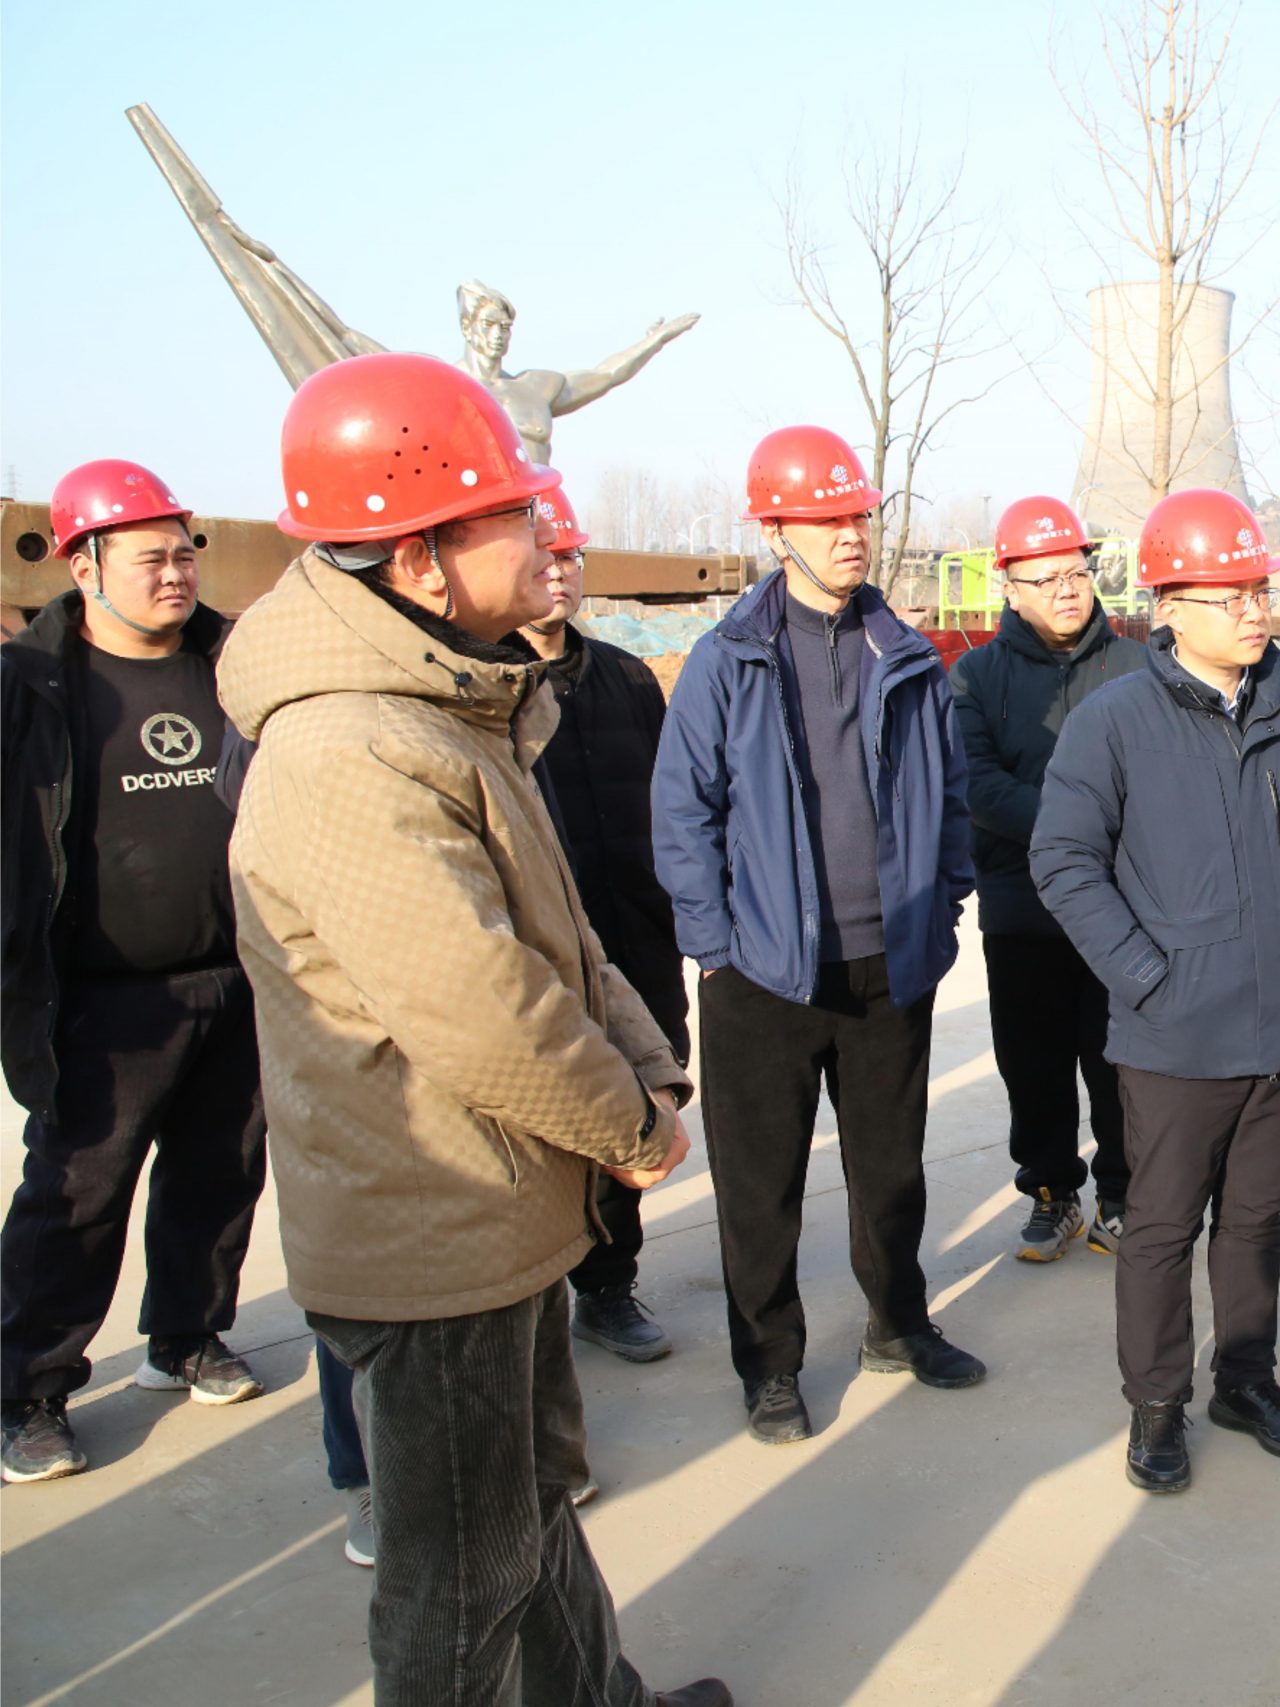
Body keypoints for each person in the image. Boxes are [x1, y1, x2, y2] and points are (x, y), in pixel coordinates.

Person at [221, 352, 721, 1706]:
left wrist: (649, 1068)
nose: (548, 535)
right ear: (421, 559)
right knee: (460, 1579)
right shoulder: (352, 749)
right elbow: (482, 1004)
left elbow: (562, 933)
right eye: (510, 514)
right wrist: (625, 1125)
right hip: (431, 1227)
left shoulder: (445, 705)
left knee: (533, 1504)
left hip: (494, 1208)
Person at [1030, 488, 1280, 1495]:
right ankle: (1157, 1403)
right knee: (1163, 1227)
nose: (1256, 610)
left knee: (1256, 1218)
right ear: (1169, 606)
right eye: (1232, 595)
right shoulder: (1114, 721)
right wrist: (1147, 976)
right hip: (1175, 1034)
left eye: (1259, 589)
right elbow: (1063, 862)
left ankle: (1246, 1380)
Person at [654, 424, 982, 1448]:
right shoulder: (726, 660)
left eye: (858, 516)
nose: (850, 535)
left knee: (891, 1170)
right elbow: (683, 811)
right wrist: (716, 947)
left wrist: (942, 907)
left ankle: (897, 1323)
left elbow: (952, 797)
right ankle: (771, 1365)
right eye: (827, 518)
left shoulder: (907, 655)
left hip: (891, 965)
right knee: (762, 1188)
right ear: (776, 530)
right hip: (763, 974)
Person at [1, 460, 268, 1485]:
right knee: (75, 1195)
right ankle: (28, 1390)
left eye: (183, 553)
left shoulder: (232, 666)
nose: (175, 574)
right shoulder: (30, 686)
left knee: (221, 1171)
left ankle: (188, 1336)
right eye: (150, 557)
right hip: (100, 1002)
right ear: (85, 565)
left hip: (233, 977)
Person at [950, 496, 1148, 1262]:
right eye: (1046, 578)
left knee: (1119, 1062)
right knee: (1032, 1069)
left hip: (1121, 909)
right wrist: (1080, 823)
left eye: (1077, 572)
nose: (1067, 589)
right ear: (1010, 587)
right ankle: (1051, 1192)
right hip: (1022, 909)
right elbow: (979, 785)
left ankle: (1122, 1195)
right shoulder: (977, 676)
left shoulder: (1139, 668)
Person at [524, 477, 690, 1362]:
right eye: (544, 555)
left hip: (639, 940)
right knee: (551, 1119)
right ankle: (531, 1293)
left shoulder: (626, 676)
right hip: (545, 950)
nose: (559, 571)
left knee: (635, 1105)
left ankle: (608, 1287)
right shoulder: (490, 685)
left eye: (571, 556)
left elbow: (675, 806)